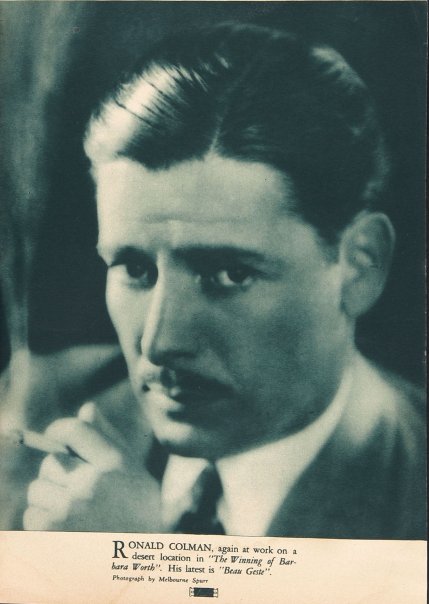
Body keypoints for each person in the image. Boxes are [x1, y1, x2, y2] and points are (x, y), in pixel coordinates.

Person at [23, 23, 425, 538]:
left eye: (229, 274)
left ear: (359, 266)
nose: (160, 343)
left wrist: (136, 564)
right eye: (135, 269)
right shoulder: (33, 407)